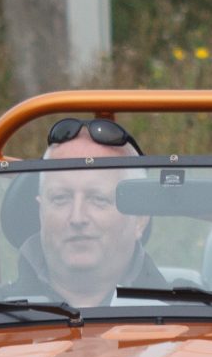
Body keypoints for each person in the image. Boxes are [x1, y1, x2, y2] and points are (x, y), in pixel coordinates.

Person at [18, 121, 163, 306]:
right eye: (60, 198)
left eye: (98, 199)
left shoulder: (190, 311)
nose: (77, 218)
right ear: (41, 212)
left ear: (140, 220)